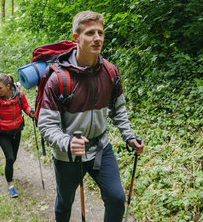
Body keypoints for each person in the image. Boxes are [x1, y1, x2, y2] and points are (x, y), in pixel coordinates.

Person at [38, 11, 144, 222]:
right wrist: (67, 142)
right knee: (64, 204)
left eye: (100, 33)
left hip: (100, 149)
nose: (97, 38)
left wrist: (129, 136)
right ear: (76, 38)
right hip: (67, 156)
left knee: (116, 199)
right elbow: (46, 125)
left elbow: (118, 110)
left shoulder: (110, 72)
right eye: (90, 33)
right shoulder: (59, 79)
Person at [0, 73, 35, 198]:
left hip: (16, 131)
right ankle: (10, 185)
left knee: (13, 158)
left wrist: (31, 112)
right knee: (10, 158)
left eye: (0, 88)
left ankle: (9, 172)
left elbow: (25, 106)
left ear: (8, 86)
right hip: (2, 132)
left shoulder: (19, 94)